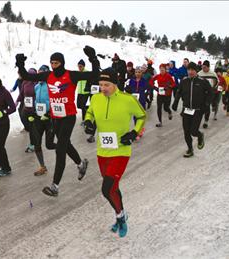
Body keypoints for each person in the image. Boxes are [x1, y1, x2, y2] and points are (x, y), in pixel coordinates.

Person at [15, 45, 99, 197]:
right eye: (52, 63)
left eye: (56, 63)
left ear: (62, 63)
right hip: (55, 117)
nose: (54, 66)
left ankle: (55, 186)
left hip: (68, 117)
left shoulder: (71, 75)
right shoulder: (48, 76)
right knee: (65, 144)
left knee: (60, 150)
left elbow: (94, 74)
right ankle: (81, 164)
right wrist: (20, 63)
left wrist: (93, 58)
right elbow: (28, 76)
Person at [83, 68, 147, 238]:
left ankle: (120, 217)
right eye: (101, 84)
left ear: (115, 84)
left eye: (107, 85)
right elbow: (90, 112)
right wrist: (89, 122)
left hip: (121, 151)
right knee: (113, 188)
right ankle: (121, 213)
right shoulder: (96, 98)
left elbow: (142, 116)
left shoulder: (127, 100)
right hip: (102, 151)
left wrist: (134, 133)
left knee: (106, 189)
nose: (103, 88)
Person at [172, 62, 213, 158]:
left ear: (196, 71)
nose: (190, 72)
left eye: (192, 70)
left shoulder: (202, 81)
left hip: (198, 110)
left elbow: (210, 93)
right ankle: (190, 149)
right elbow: (179, 92)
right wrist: (175, 102)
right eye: (189, 70)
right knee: (186, 132)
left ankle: (199, 135)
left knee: (193, 131)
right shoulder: (184, 81)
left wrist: (206, 104)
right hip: (186, 110)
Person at [30, 65, 57, 176]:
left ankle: (63, 147)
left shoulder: (51, 86)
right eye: (38, 73)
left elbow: (55, 100)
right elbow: (36, 101)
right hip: (39, 117)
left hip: (49, 118)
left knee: (49, 144)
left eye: (42, 73)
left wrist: (49, 113)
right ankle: (42, 167)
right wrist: (33, 112)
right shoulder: (37, 86)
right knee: (36, 143)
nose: (39, 76)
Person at [17, 68, 38, 153]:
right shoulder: (25, 82)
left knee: (33, 127)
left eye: (32, 74)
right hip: (26, 108)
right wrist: (17, 101)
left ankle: (33, 144)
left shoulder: (37, 83)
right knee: (28, 125)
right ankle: (35, 140)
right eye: (29, 74)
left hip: (34, 109)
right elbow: (21, 93)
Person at [198, 60, 219, 128]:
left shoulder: (213, 74)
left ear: (208, 67)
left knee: (207, 106)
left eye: (205, 67)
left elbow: (217, 82)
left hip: (210, 93)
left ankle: (206, 121)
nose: (203, 68)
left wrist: (213, 89)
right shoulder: (199, 73)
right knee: (201, 106)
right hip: (201, 93)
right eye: (202, 67)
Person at [76, 59, 91, 126]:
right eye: (78, 66)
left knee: (82, 106)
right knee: (79, 105)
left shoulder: (87, 73)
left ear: (83, 66)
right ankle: (88, 108)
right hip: (79, 92)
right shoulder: (78, 73)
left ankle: (84, 120)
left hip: (85, 92)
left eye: (81, 66)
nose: (79, 67)